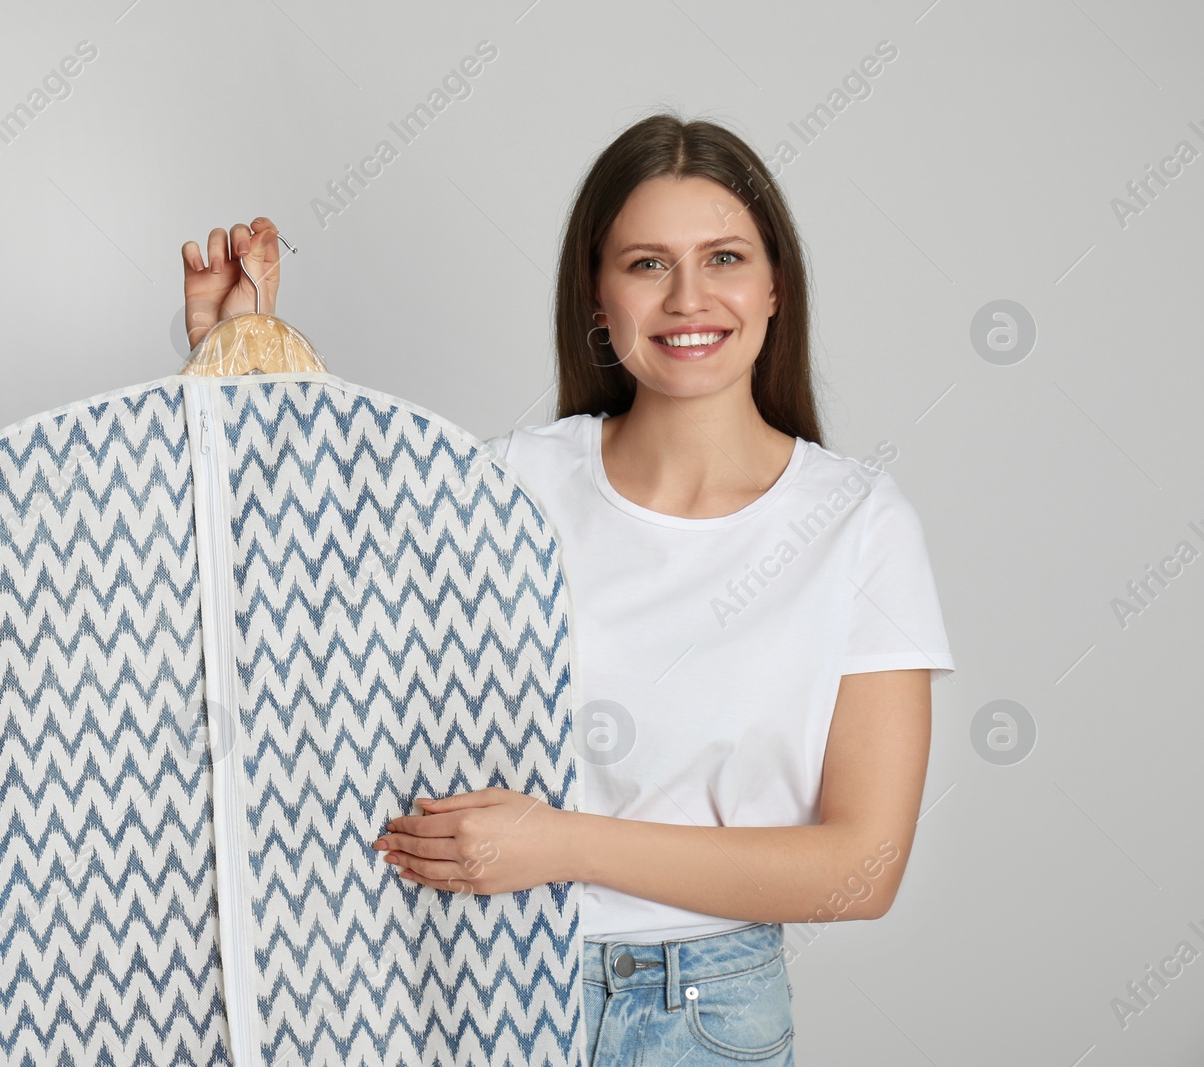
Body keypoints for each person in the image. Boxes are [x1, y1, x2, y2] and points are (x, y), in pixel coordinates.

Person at [180, 110, 954, 1066]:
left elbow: (861, 869)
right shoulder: (504, 485)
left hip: (702, 1018)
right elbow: (308, 623)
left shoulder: (859, 524)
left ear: (774, 288)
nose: (687, 297)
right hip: (469, 988)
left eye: (723, 258)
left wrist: (564, 844)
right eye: (645, 264)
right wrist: (236, 379)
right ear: (596, 296)